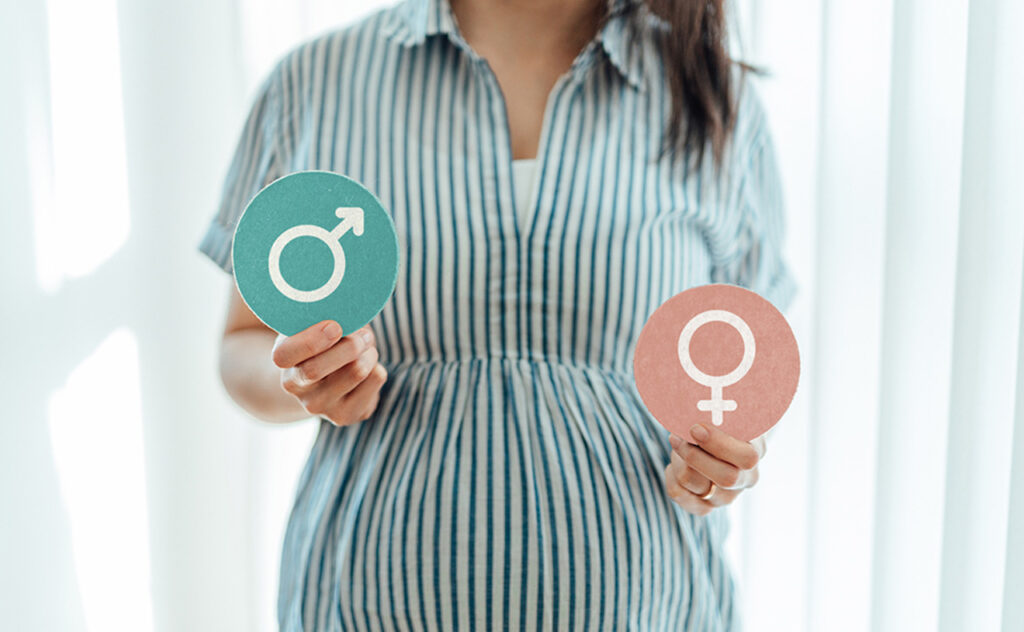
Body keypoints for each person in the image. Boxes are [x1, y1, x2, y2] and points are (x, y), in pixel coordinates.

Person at [199, 0, 797, 628]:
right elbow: (244, 342)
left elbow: (752, 374)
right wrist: (302, 381)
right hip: (364, 605)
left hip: (652, 603)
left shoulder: (715, 96)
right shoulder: (314, 82)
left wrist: (728, 455)